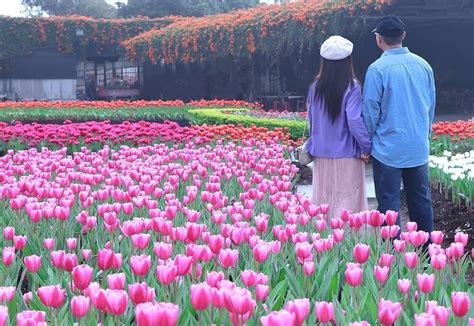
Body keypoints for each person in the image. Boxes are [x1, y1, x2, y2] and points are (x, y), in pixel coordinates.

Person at [362, 15, 436, 233]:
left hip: (387, 149)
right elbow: (430, 107)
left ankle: (392, 258)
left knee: (389, 205)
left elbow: (370, 111)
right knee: (421, 201)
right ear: (403, 35)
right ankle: (427, 253)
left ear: (379, 39)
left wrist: (366, 146)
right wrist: (425, 135)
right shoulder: (424, 65)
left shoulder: (377, 69)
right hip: (417, 146)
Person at [307, 35, 372, 218]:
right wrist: (366, 146)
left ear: (324, 62)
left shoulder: (315, 87)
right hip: (346, 154)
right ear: (348, 61)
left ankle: (324, 243)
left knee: (323, 203)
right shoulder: (352, 86)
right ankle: (346, 244)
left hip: (320, 152)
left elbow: (312, 119)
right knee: (348, 203)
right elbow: (354, 119)